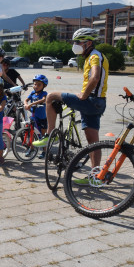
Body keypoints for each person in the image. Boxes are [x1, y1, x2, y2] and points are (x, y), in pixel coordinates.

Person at [33, 28, 109, 169]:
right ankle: (96, 174)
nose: (75, 45)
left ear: (89, 43)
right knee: (93, 142)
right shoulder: (92, 56)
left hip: (91, 101)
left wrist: (84, 94)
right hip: (98, 102)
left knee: (50, 97)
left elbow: (95, 77)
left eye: (78, 42)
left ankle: (50, 134)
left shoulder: (94, 57)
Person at [24, 74, 48, 159]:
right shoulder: (33, 93)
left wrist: (32, 104)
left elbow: (43, 100)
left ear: (44, 85)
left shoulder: (44, 93)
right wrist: (26, 104)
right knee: (32, 133)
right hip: (34, 116)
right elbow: (26, 99)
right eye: (35, 84)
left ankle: (44, 150)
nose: (36, 86)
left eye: (39, 84)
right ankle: (31, 148)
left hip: (42, 117)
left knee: (43, 134)